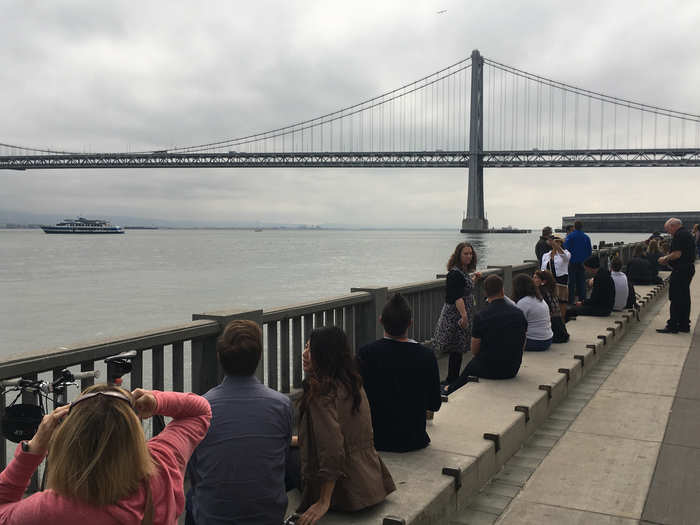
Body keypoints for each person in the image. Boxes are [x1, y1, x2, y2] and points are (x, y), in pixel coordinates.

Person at [0, 385, 211, 525]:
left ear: (69, 440)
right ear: (133, 432)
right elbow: (200, 410)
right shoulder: (163, 464)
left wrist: (34, 448)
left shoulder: (51, 509)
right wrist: (156, 401)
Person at [186, 320, 293, 525]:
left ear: (220, 357)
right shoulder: (281, 405)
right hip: (268, 517)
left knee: (192, 497)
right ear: (258, 357)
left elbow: (196, 471)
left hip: (214, 518)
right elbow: (282, 459)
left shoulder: (201, 408)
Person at [295, 326, 395, 524]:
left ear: (325, 355)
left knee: (279, 460)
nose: (305, 354)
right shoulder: (353, 384)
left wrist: (324, 500)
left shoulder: (321, 394)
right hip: (369, 481)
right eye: (306, 347)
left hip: (345, 491)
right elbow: (349, 432)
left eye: (311, 350)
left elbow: (332, 449)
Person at [358, 293, 442, 452]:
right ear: (410, 323)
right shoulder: (426, 356)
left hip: (378, 439)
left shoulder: (366, 353)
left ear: (380, 320)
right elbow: (434, 404)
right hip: (414, 439)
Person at [443, 275, 527, 395]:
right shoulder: (519, 313)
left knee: (471, 366)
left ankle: (450, 389)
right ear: (502, 290)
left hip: (491, 369)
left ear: (485, 293)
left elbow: (475, 350)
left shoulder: (481, 316)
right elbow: (523, 342)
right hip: (513, 368)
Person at [434, 242, 481, 384]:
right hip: (455, 315)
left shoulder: (463, 271)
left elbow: (465, 287)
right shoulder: (454, 273)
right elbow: (457, 296)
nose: (469, 256)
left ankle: (452, 378)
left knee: (458, 348)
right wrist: (464, 316)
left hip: (461, 312)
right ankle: (451, 379)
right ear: (458, 255)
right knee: (455, 347)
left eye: (470, 253)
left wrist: (475, 278)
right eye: (465, 254)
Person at [657, 218, 696, 333]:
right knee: (684, 297)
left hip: (681, 269)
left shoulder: (679, 235)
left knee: (675, 297)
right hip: (688, 268)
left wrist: (665, 258)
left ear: (673, 226)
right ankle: (684, 324)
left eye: (668, 230)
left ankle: (673, 325)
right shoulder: (687, 234)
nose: (668, 233)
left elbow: (677, 254)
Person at [513, 274, 553, 351]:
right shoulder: (539, 299)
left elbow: (516, 325)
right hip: (548, 340)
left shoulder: (523, 302)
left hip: (535, 342)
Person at [534, 270, 569, 343]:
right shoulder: (551, 291)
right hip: (561, 330)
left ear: (543, 281)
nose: (533, 280)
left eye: (536, 278)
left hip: (553, 330)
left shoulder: (541, 292)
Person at [540, 235, 571, 318]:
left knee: (562, 301)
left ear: (561, 243)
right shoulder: (546, 255)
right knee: (548, 301)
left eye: (557, 241)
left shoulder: (566, 253)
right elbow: (542, 268)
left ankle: (562, 321)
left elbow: (565, 257)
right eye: (554, 241)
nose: (555, 243)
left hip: (561, 280)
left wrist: (557, 247)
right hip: (549, 280)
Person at [564, 220, 592, 304]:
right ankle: (582, 299)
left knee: (571, 282)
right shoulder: (586, 237)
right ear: (581, 227)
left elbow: (565, 248)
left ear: (574, 227)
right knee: (582, 281)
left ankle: (571, 300)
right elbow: (589, 251)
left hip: (572, 262)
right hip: (583, 263)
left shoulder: (570, 236)